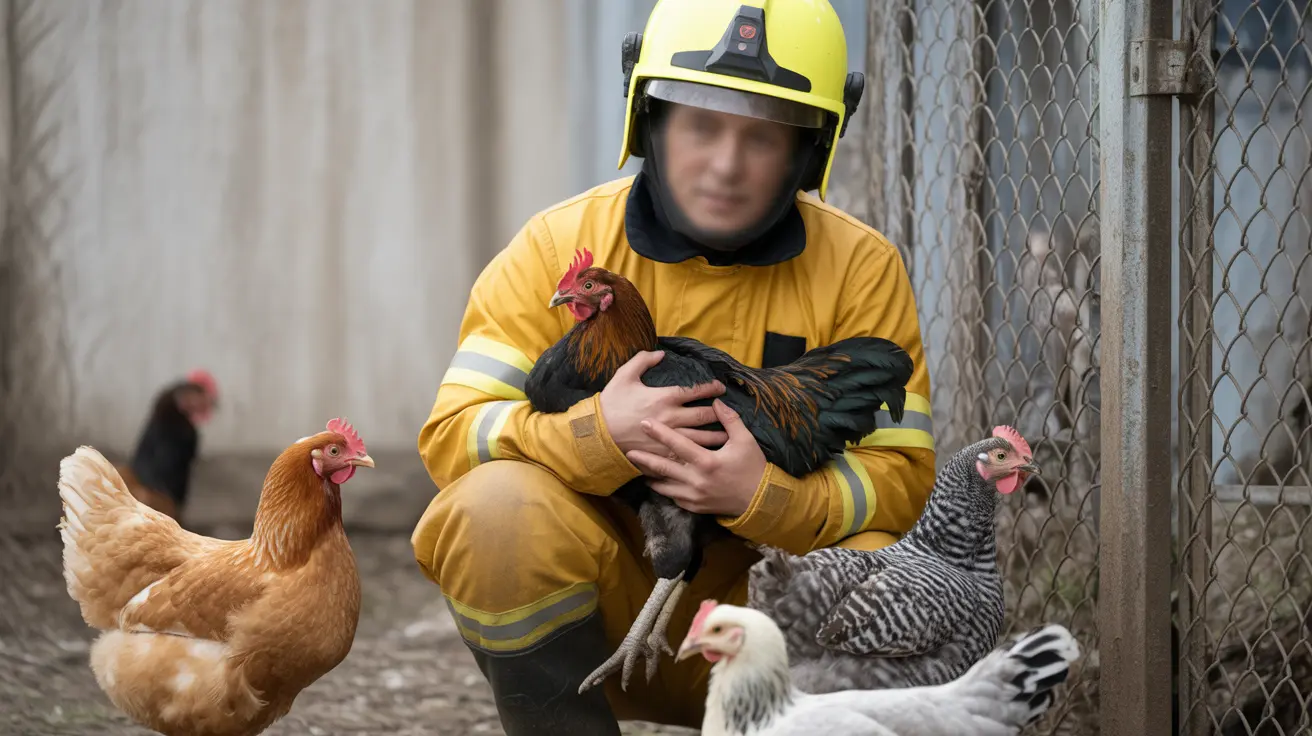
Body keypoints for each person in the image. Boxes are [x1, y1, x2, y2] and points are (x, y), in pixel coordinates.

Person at [410, 1, 936, 733]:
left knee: (886, 571)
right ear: (648, 118)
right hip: (607, 617)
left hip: (771, 631)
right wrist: (598, 433)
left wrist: (765, 497)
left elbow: (902, 478)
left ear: (810, 148)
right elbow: (454, 435)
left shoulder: (859, 266)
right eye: (701, 126)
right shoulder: (558, 243)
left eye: (763, 136)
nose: (725, 165)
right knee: (492, 510)